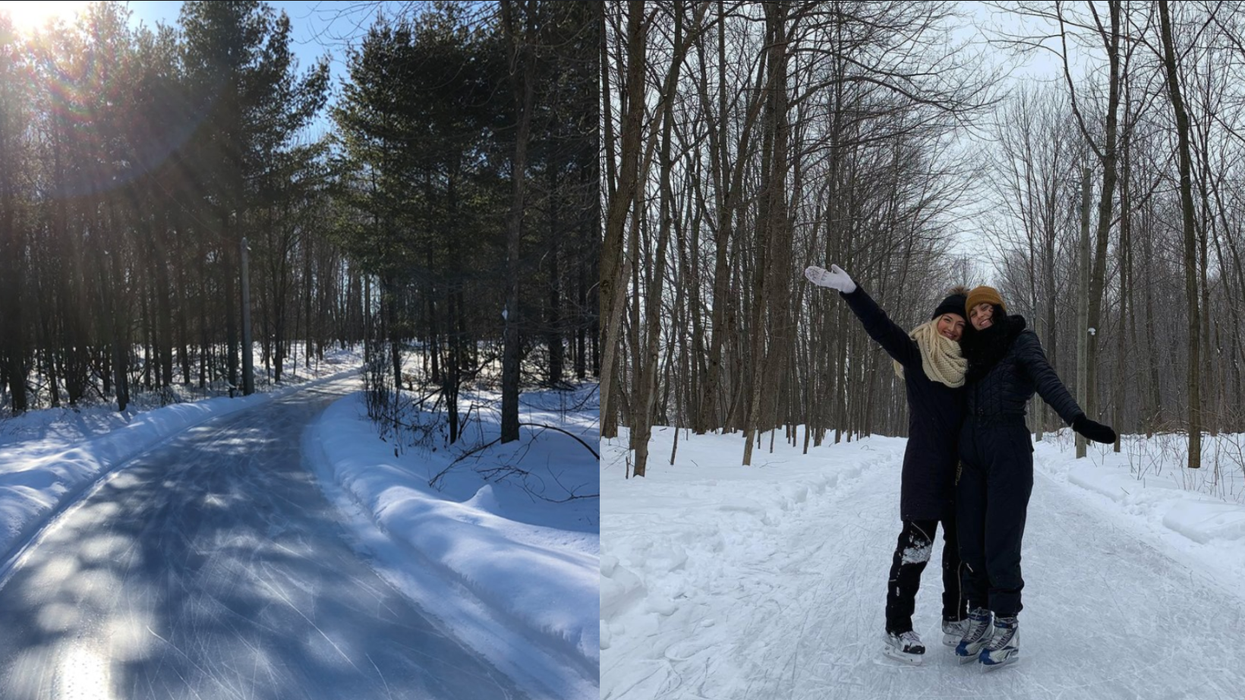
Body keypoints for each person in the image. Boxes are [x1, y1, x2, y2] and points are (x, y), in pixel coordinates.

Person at [805, 263, 970, 666]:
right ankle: (898, 628)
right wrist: (851, 291)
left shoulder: (970, 366)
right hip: (924, 471)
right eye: (945, 319)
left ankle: (956, 618)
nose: (950, 328)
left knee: (961, 553)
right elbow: (881, 327)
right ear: (934, 321)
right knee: (916, 550)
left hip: (963, 473)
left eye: (959, 324)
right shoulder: (916, 356)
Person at [952, 285, 1117, 669]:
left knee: (1000, 540)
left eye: (986, 308)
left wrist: (1077, 419)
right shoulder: (967, 352)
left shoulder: (1020, 340)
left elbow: (1046, 380)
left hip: (1008, 446)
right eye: (974, 312)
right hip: (970, 450)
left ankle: (1006, 625)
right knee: (970, 541)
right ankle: (979, 615)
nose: (981, 317)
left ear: (999, 308)